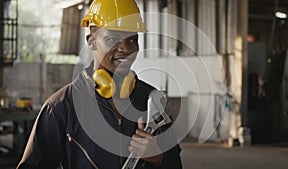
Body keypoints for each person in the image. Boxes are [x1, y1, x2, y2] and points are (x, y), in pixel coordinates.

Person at [17, 0, 182, 168]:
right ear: (92, 42)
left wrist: (159, 157)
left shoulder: (151, 99)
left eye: (132, 40)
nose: (125, 48)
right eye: (112, 39)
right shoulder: (61, 107)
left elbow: (176, 163)